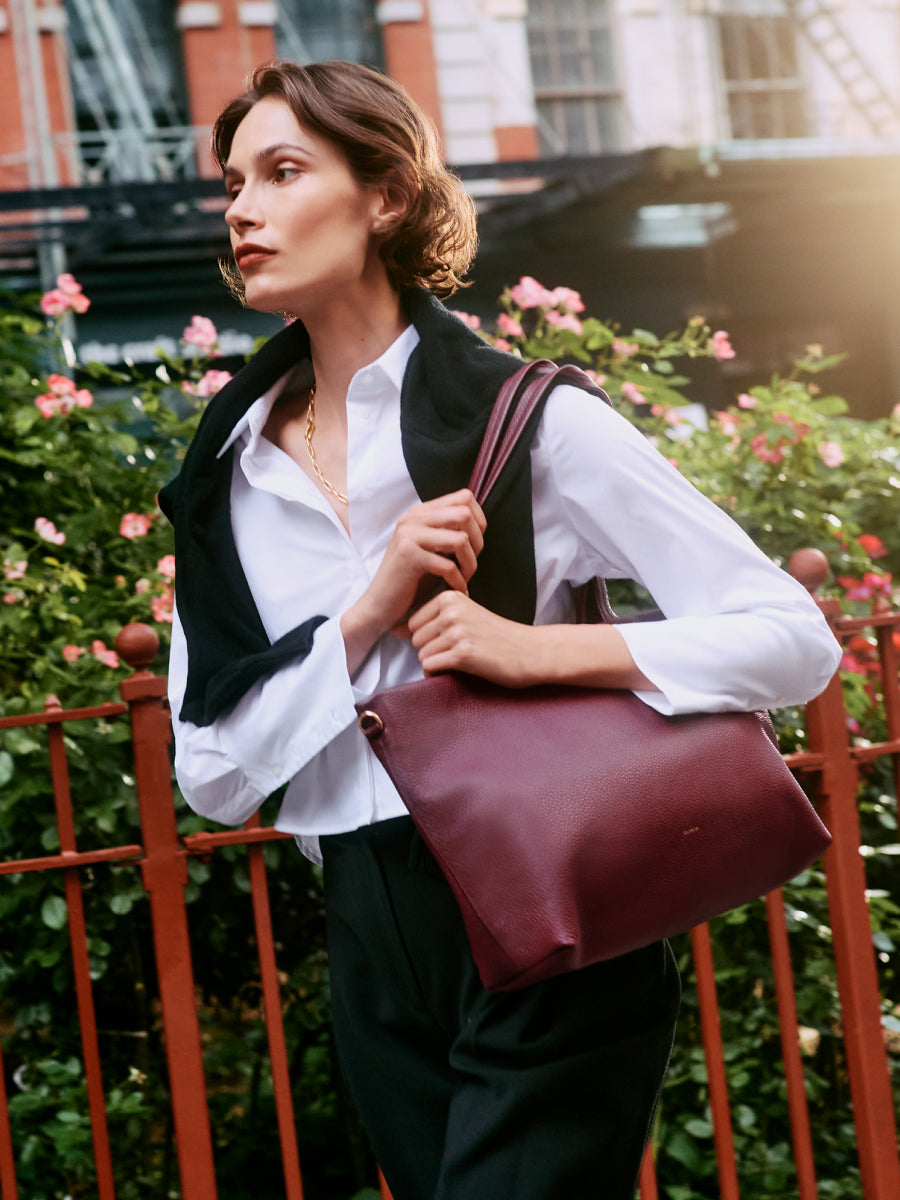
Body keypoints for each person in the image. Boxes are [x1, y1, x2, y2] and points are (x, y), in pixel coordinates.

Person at [160, 59, 841, 1200]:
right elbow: (216, 774)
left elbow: (790, 634)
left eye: (282, 172)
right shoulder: (223, 479)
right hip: (369, 933)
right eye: (234, 182)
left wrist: (540, 649)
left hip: (547, 892)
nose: (242, 208)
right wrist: (368, 611)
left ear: (385, 196)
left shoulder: (533, 420)